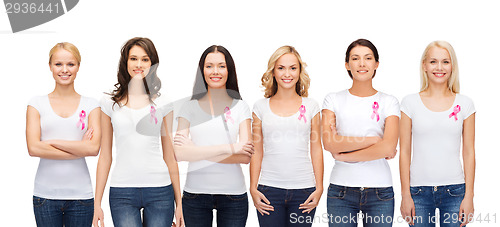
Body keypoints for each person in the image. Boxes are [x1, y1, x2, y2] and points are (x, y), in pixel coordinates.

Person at [92, 37, 183, 227]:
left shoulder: (164, 102)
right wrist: (97, 202)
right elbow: (105, 155)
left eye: (145, 59)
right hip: (122, 192)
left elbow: (169, 155)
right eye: (133, 59)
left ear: (152, 64)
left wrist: (179, 203)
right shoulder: (109, 102)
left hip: (160, 190)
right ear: (125, 62)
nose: (139, 64)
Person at [322, 39, 399, 227]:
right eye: (355, 58)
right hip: (341, 190)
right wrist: (373, 140)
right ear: (347, 64)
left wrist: (344, 154)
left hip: (380, 191)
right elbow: (329, 143)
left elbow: (389, 146)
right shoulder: (333, 99)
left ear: (376, 64)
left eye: (368, 58)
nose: (362, 64)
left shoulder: (389, 102)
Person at [174, 45, 253, 227]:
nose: (215, 71)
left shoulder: (241, 107)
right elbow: (180, 153)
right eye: (209, 66)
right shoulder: (189, 106)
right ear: (202, 70)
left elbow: (245, 156)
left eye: (221, 66)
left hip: (233, 195)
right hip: (195, 195)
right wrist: (230, 148)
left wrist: (195, 150)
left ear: (229, 70)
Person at [399, 40, 475, 227]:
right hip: (418, 193)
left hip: (455, 192)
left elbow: (469, 152)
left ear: (452, 66)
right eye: (433, 61)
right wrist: (405, 195)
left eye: (445, 62)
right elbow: (404, 152)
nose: (439, 67)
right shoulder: (409, 103)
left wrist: (469, 196)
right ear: (424, 65)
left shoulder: (465, 104)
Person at [26, 42, 101, 226]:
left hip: (81, 197)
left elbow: (93, 149)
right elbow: (33, 148)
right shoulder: (36, 104)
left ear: (78, 67)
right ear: (50, 66)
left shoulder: (92, 105)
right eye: (58, 64)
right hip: (45, 197)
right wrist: (79, 148)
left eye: (71, 64)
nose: (64, 70)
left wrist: (50, 143)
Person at [250, 45, 324, 226]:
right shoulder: (260, 107)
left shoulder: (311, 106)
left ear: (299, 71)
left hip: (304, 190)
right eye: (281, 68)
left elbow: (316, 148)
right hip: (269, 190)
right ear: (273, 72)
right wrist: (253, 188)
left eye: (293, 68)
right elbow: (256, 151)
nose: (287, 74)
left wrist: (319, 187)